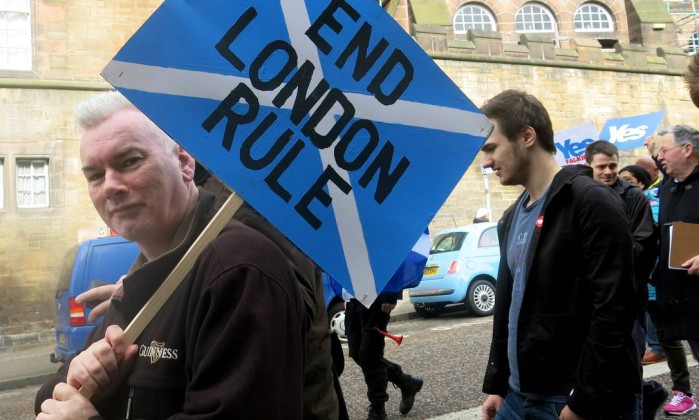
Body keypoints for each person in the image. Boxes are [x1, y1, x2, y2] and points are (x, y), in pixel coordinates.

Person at [35, 91, 306, 418]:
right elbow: (48, 401)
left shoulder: (238, 269)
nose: (110, 186)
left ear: (184, 163)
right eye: (95, 175)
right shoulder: (137, 281)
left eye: (130, 161)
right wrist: (81, 377)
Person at [479, 89, 640, 419]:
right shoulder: (510, 217)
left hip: (571, 401)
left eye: (491, 148)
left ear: (527, 136)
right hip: (517, 396)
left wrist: (584, 400)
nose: (486, 162)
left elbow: (615, 310)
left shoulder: (591, 201)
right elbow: (510, 307)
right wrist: (499, 384)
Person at [585, 141, 666, 420]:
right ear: (589, 166)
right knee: (597, 368)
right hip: (591, 302)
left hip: (627, 301)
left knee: (629, 369)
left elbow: (642, 246)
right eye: (602, 166)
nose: (608, 171)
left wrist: (600, 255)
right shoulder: (579, 194)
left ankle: (640, 407)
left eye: (613, 165)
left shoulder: (634, 198)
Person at [651, 124, 699, 416]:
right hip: (677, 292)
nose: (660, 157)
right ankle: (685, 394)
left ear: (687, 149)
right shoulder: (669, 187)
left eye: (664, 150)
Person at [344, 259, 425, 420]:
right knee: (357, 353)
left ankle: (378, 410)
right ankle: (406, 382)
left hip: (376, 295)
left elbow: (394, 254)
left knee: (370, 355)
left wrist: (391, 294)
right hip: (352, 296)